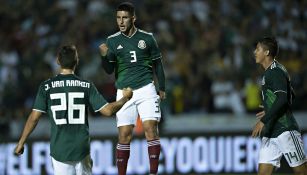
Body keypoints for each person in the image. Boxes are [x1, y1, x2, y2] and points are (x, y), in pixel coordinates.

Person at [14, 45, 133, 175]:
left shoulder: (46, 87)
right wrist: (125, 98)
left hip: (60, 149)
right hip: (81, 149)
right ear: (77, 61)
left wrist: (21, 142)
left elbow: (34, 118)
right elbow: (108, 111)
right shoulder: (86, 85)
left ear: (58, 61)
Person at [99, 2, 166, 175]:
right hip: (124, 92)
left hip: (146, 88)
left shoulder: (147, 38)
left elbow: (158, 64)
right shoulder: (112, 41)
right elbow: (108, 70)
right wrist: (104, 56)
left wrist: (162, 87)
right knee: (124, 135)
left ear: (133, 18)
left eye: (125, 18)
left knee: (151, 129)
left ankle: (153, 173)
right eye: (118, 18)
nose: (121, 22)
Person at [251, 37, 307, 175]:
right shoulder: (273, 70)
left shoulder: (274, 71)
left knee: (301, 171)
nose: (254, 52)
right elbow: (290, 95)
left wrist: (264, 120)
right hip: (271, 132)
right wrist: (270, 108)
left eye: (258, 49)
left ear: (267, 52)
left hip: (284, 129)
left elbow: (283, 98)